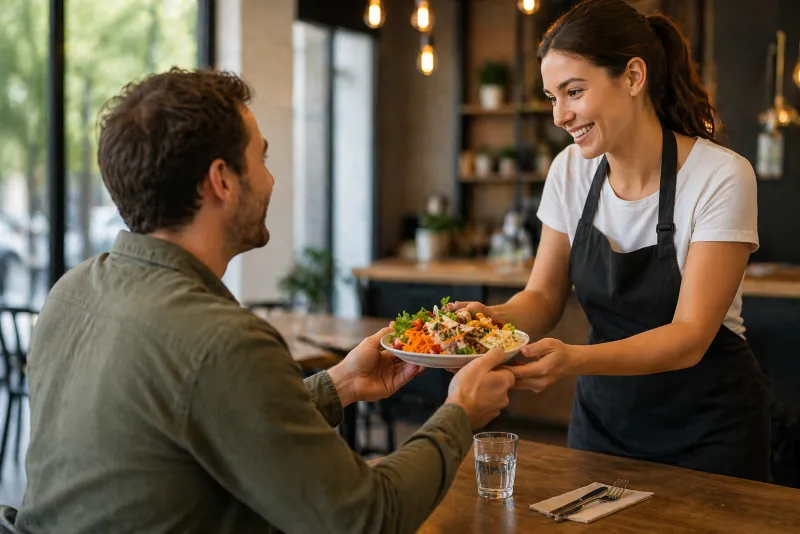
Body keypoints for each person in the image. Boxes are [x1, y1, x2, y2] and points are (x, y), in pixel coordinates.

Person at [18, 68, 516, 533]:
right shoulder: (224, 340)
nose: (272, 179)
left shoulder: (71, 290)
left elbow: (203, 424)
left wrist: (339, 384)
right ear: (222, 180)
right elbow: (366, 518)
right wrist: (459, 413)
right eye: (262, 158)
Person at [451, 0, 770, 481]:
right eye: (551, 97)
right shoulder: (569, 171)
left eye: (573, 91)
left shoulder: (720, 175)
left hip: (710, 430)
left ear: (633, 77)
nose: (560, 115)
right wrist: (492, 320)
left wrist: (574, 358)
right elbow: (541, 297)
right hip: (605, 423)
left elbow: (689, 337)